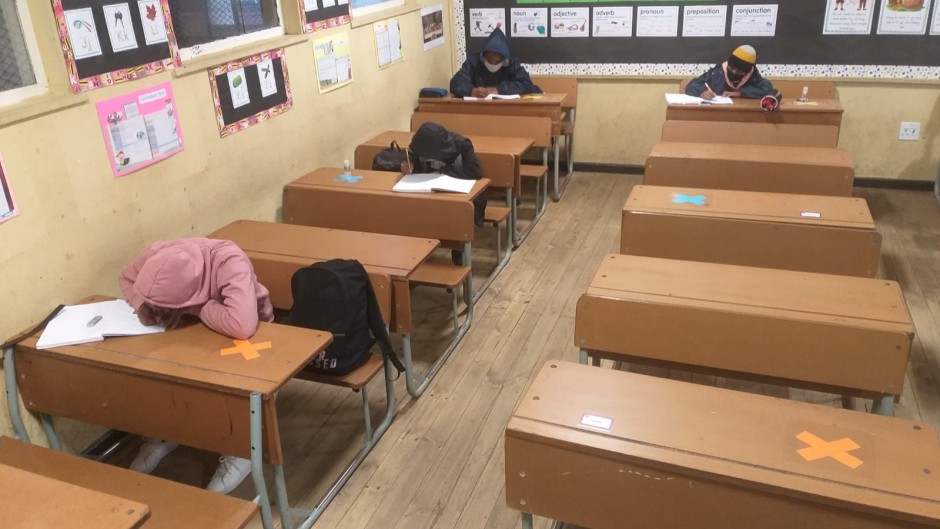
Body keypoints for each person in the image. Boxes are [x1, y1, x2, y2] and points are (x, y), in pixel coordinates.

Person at [119, 238, 274, 494]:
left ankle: (240, 448)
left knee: (226, 385)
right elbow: (126, 277)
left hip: (255, 337)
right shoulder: (158, 253)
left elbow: (243, 325)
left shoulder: (229, 261)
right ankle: (166, 431)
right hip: (198, 331)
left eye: (164, 309)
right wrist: (140, 304)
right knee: (159, 368)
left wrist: (195, 307)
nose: (158, 315)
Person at [404, 122, 485, 264]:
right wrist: (409, 165)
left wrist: (444, 171)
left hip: (460, 194)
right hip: (428, 192)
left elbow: (475, 172)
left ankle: (459, 249)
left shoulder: (462, 145)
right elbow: (413, 161)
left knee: (458, 213)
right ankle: (416, 255)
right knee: (411, 210)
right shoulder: (420, 146)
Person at [449, 28, 541, 98]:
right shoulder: (474, 61)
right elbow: (456, 82)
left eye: (497, 61)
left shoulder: (511, 63)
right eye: (489, 60)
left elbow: (526, 84)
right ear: (483, 56)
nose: (493, 64)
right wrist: (471, 91)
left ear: (504, 60)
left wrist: (499, 90)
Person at [685, 45, 775, 100]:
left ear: (747, 71)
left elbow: (768, 90)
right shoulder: (717, 73)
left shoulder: (753, 77)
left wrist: (740, 93)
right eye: (731, 68)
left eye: (739, 72)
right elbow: (692, 84)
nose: (734, 73)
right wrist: (702, 92)